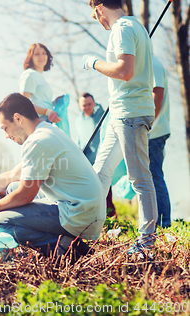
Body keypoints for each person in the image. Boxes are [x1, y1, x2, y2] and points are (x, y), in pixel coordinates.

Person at [0, 93, 105, 258]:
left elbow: (25, 195)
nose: (6, 135)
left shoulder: (37, 141)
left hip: (80, 213)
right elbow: (12, 176)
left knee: (0, 221)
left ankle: (68, 250)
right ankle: (64, 242)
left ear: (18, 118)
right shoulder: (47, 131)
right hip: (86, 208)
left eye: (5, 128)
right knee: (12, 187)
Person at [82, 0, 157, 254]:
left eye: (94, 16)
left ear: (100, 9)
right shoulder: (136, 26)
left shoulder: (123, 28)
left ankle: (146, 243)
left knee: (140, 179)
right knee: (100, 172)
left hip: (131, 113)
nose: (97, 20)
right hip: (121, 113)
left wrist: (93, 62)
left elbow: (125, 71)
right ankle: (85, 229)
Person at [75, 93, 116, 217]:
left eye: (89, 104)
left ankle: (111, 217)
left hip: (102, 157)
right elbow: (80, 140)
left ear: (94, 103)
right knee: (91, 191)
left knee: (105, 189)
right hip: (87, 162)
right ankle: (94, 217)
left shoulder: (100, 114)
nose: (87, 107)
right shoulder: (79, 121)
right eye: (84, 105)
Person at [150, 56, 171, 227]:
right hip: (153, 131)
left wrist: (146, 126)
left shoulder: (153, 64)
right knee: (152, 178)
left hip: (154, 131)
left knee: (155, 177)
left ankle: (164, 223)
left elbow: (157, 96)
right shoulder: (147, 63)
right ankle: (158, 222)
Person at [19, 43, 62, 123]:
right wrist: (48, 112)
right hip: (37, 123)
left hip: (45, 121)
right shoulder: (30, 75)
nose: (41, 56)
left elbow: (39, 101)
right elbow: (23, 104)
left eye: (44, 53)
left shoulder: (39, 76)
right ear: (31, 58)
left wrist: (54, 102)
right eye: (37, 54)